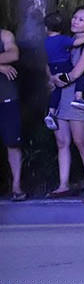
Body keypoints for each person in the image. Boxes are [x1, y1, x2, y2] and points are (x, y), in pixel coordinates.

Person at [47, 6, 84, 204]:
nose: (75, 21)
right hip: (60, 95)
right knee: (62, 142)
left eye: (81, 19)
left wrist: (59, 79)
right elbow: (50, 61)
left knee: (81, 141)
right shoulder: (65, 41)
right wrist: (51, 77)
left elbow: (77, 72)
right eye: (75, 17)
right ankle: (63, 184)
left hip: (78, 96)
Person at [44, 12, 84, 131]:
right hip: (64, 65)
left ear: (46, 28)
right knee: (80, 76)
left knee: (56, 90)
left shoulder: (46, 41)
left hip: (52, 67)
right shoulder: (62, 39)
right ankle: (78, 97)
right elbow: (76, 43)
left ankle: (51, 112)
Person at [0, 29, 24, 201]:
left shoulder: (4, 35)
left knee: (12, 142)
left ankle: (16, 186)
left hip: (7, 96)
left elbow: (13, 55)